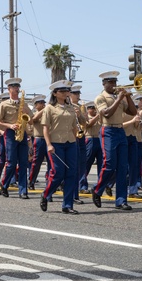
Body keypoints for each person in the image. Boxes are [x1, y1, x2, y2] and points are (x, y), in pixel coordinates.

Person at [92, 71, 138, 210]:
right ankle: (97, 189)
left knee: (123, 168)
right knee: (109, 163)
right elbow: (106, 113)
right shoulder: (100, 98)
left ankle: (121, 200)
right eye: (110, 82)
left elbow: (133, 112)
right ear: (104, 84)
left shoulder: (118, 97)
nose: (113, 85)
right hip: (108, 131)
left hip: (120, 131)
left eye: (114, 82)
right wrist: (119, 98)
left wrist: (128, 96)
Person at [40, 82, 80, 214]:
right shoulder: (49, 108)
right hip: (56, 143)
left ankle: (67, 205)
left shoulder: (71, 108)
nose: (65, 93)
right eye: (61, 91)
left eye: (66, 91)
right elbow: (45, 128)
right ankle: (46, 194)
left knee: (71, 173)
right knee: (58, 172)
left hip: (71, 143)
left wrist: (75, 140)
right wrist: (49, 144)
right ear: (55, 93)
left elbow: (74, 126)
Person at [0, 79, 32, 199]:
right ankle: (4, 184)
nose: (17, 88)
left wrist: (27, 112)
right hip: (10, 133)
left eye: (18, 86)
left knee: (23, 163)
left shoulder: (24, 103)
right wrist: (10, 125)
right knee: (11, 163)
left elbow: (31, 119)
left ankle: (23, 191)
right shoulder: (3, 105)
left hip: (22, 133)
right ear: (9, 89)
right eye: (14, 86)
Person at [80, 103, 102, 195]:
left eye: (94, 108)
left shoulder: (99, 117)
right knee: (86, 164)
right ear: (88, 109)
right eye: (91, 108)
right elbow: (88, 125)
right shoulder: (85, 117)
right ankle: (82, 185)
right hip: (90, 139)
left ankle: (99, 186)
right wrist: (98, 115)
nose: (93, 110)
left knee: (101, 165)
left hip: (99, 139)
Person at [28, 95, 48, 190]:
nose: (43, 105)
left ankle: (49, 182)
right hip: (39, 139)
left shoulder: (47, 113)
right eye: (41, 103)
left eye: (44, 103)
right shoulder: (34, 114)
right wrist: (43, 110)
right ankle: (31, 181)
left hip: (49, 139)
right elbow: (34, 119)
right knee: (36, 163)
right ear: (36, 105)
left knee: (51, 163)